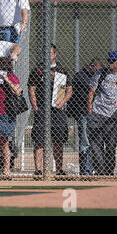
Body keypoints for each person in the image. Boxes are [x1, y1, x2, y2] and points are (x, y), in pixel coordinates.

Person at [28, 44, 73, 176]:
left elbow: (69, 90)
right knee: (39, 140)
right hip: (42, 109)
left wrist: (62, 102)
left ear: (54, 55)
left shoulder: (62, 70)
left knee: (58, 141)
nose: (48, 56)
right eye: (46, 53)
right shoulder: (38, 70)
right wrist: (36, 108)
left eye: (51, 53)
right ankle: (38, 170)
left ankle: (59, 170)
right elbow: (32, 90)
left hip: (57, 111)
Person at [87, 51, 117, 176]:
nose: (110, 63)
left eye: (112, 61)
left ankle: (108, 173)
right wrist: (90, 110)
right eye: (109, 61)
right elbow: (91, 91)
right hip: (97, 113)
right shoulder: (101, 73)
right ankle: (100, 172)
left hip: (113, 116)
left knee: (111, 146)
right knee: (95, 145)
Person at [67, 58, 102, 175]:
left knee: (94, 141)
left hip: (94, 113)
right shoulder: (80, 76)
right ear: (92, 66)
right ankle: (86, 170)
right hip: (83, 112)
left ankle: (92, 168)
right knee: (85, 141)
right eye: (97, 70)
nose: (98, 73)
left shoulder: (95, 77)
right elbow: (91, 90)